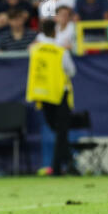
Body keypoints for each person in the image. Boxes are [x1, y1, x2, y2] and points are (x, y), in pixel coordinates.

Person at [26, 19, 78, 176]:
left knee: (56, 130)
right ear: (55, 31)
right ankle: (64, 165)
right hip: (60, 95)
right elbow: (71, 71)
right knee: (61, 132)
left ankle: (61, 166)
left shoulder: (34, 49)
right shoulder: (60, 50)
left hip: (43, 95)